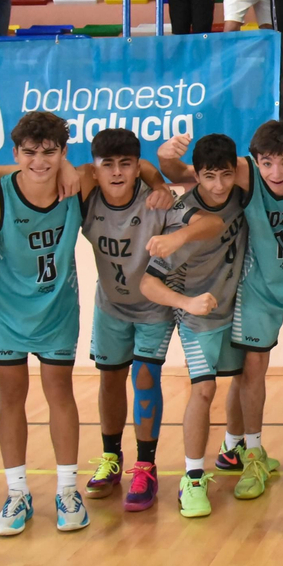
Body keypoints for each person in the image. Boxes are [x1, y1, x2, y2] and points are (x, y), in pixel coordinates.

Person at [157, 122, 283, 502]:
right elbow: (180, 174)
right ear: (256, 161)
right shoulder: (246, 172)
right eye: (267, 163)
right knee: (252, 370)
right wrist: (167, 155)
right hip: (260, 286)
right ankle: (253, 454)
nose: (276, 173)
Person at [0, 112, 92, 536]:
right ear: (15, 153)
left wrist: (70, 167)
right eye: (30, 153)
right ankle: (17, 493)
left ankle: (68, 490)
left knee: (60, 393)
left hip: (56, 309)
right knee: (10, 395)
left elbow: (141, 168)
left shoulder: (79, 184)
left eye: (50, 152)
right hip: (5, 310)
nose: (40, 161)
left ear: (63, 152)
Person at [70, 130, 195, 515]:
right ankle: (111, 458)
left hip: (153, 307)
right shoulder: (85, 195)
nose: (118, 172)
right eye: (107, 164)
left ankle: (146, 464)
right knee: (109, 379)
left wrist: (157, 180)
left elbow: (201, 213)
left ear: (137, 168)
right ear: (95, 168)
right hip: (110, 305)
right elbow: (80, 170)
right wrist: (149, 171)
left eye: (126, 163)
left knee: (144, 377)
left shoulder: (158, 202)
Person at [136, 134, 249, 518]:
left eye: (226, 175)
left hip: (235, 307)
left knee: (245, 379)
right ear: (196, 176)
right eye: (209, 177)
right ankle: (193, 478)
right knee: (203, 390)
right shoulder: (181, 217)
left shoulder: (241, 190)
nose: (219, 186)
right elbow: (147, 283)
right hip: (197, 317)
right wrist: (186, 303)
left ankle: (233, 449)